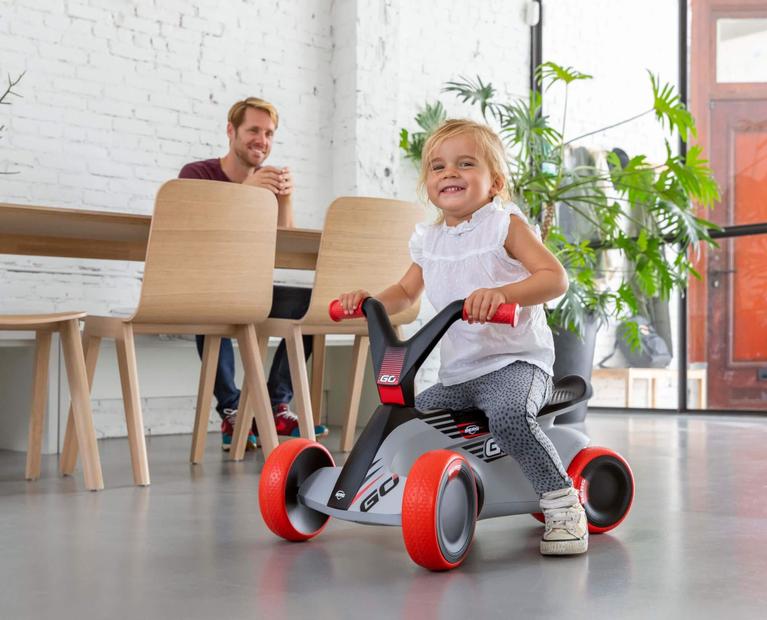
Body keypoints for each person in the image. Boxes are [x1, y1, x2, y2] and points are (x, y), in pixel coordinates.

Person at [337, 119, 587, 555]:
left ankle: (563, 503)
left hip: (516, 364)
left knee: (510, 415)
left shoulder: (503, 225)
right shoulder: (430, 241)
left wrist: (502, 293)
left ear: (495, 183)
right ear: (427, 184)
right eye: (437, 167)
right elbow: (404, 293)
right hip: (459, 376)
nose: (449, 173)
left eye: (465, 163)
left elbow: (554, 277)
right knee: (410, 420)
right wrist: (369, 302)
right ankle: (422, 492)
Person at [179, 97, 328, 451]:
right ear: (231, 131)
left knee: (317, 305)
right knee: (211, 297)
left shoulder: (268, 183)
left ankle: (276, 405)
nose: (262, 140)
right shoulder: (196, 174)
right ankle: (232, 410)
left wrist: (285, 199)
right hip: (208, 288)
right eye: (253, 131)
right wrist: (245, 193)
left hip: (254, 286)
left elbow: (285, 250)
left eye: (269, 133)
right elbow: (193, 234)